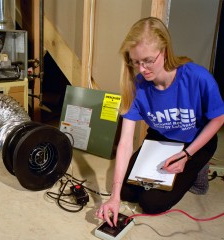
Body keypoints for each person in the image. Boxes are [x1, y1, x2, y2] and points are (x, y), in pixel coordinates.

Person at [96, 17, 224, 227]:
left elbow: (218, 118)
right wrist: (115, 196)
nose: (142, 69)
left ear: (164, 51)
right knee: (126, 191)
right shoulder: (137, 86)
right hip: (160, 137)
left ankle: (199, 170)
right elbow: (126, 142)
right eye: (136, 62)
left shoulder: (197, 77)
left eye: (148, 60)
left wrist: (186, 155)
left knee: (152, 203)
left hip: (195, 141)